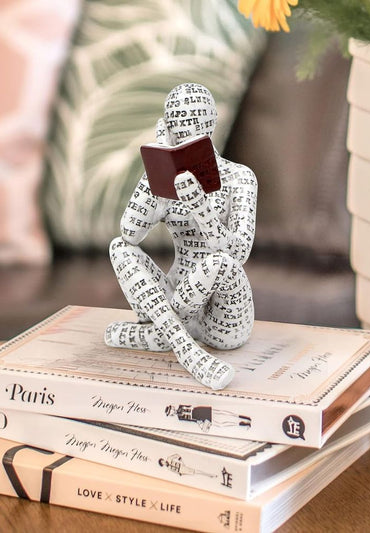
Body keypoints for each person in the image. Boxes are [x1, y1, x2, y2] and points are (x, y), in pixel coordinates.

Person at [105, 83, 257, 390]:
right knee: (119, 247)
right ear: (167, 124)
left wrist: (201, 208)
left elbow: (238, 254)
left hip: (222, 315)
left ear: (212, 121)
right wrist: (158, 166)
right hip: (174, 294)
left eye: (195, 118)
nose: (186, 127)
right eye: (177, 119)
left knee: (219, 262)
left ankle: (159, 335)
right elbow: (129, 233)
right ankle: (185, 348)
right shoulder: (164, 181)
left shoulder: (240, 177)